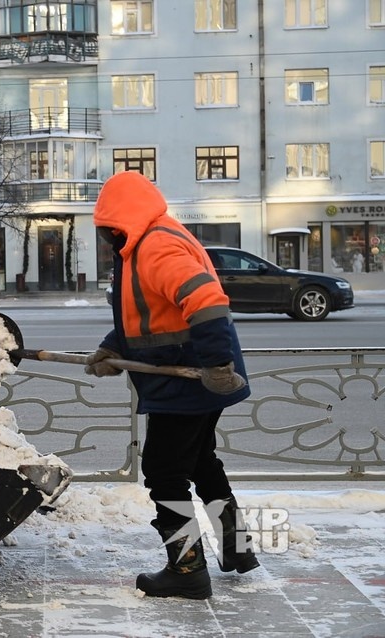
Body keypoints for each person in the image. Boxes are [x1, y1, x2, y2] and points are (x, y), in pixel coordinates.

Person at [84, 171, 258, 600]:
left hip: (192, 379)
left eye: (106, 228)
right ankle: (237, 548)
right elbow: (150, 313)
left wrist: (217, 365)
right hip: (189, 377)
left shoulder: (156, 245)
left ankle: (186, 569)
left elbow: (205, 301)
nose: (105, 237)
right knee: (199, 461)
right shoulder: (146, 241)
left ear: (118, 221)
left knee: (163, 472)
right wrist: (111, 349)